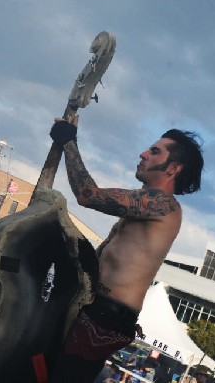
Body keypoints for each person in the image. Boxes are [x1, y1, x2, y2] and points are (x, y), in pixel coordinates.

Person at [49, 112, 204, 382]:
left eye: (155, 152)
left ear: (172, 168)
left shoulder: (164, 205)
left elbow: (88, 195)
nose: (143, 153)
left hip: (105, 314)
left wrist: (69, 142)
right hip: (96, 306)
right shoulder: (144, 206)